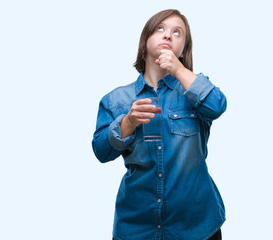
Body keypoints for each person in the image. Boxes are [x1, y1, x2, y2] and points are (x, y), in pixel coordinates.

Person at [92, 9, 227, 240]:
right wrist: (128, 121)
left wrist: (179, 70)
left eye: (177, 32)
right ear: (145, 41)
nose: (168, 36)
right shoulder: (116, 100)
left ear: (183, 50)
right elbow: (101, 152)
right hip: (137, 227)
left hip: (197, 226)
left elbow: (216, 106)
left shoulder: (193, 89)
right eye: (160, 29)